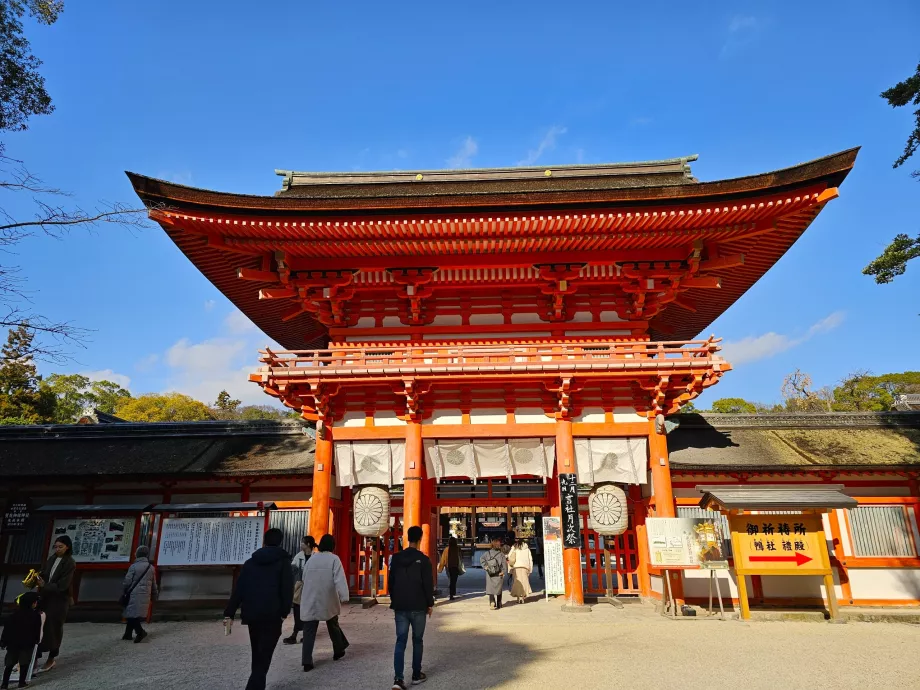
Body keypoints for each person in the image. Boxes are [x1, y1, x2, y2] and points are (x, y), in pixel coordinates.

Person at [223, 528, 293, 690]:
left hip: (252, 611)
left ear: (264, 541)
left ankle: (257, 682)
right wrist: (284, 612)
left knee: (258, 650)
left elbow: (240, 588)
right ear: (280, 541)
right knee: (266, 652)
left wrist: (230, 612)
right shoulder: (283, 562)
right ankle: (254, 685)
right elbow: (286, 589)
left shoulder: (250, 563)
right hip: (273, 613)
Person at [389, 526, 434, 689]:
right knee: (417, 640)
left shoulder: (396, 558)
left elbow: (391, 583)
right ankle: (416, 674)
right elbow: (428, 584)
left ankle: (398, 679)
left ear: (407, 538)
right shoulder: (424, 560)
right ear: (420, 538)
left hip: (400, 606)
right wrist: (430, 603)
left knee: (400, 640)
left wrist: (394, 600)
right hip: (418, 604)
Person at [300, 534, 349, 672]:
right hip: (327, 596)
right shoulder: (334, 559)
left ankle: (306, 661)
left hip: (310, 597)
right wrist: (344, 596)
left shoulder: (312, 559)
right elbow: (339, 579)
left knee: (309, 629)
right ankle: (338, 649)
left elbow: (304, 576)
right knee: (332, 623)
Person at [35, 535, 75, 673]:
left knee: (54, 627)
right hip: (45, 597)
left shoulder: (69, 562)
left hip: (59, 599)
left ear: (67, 547)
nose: (57, 549)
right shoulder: (51, 559)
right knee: (38, 625)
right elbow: (46, 573)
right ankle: (35, 656)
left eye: (61, 547)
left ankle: (51, 658)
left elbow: (63, 585)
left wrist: (45, 585)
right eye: (56, 546)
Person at [1, 592, 42, 689]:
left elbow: (6, 630)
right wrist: (36, 640)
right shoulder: (35, 616)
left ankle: (4, 684)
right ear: (32, 603)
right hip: (27, 644)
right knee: (24, 663)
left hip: (12, 644)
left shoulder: (12, 616)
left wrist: (3, 641)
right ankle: (21, 682)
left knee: (9, 664)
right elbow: (37, 630)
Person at [283, 536, 316, 645]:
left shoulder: (316, 556)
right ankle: (295, 634)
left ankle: (306, 634)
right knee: (297, 610)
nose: (300, 545)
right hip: (300, 586)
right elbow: (292, 570)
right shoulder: (299, 556)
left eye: (302, 543)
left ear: (308, 544)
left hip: (312, 587)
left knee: (309, 611)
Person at [121, 545, 158, 643]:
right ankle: (127, 634)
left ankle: (140, 632)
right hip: (145, 594)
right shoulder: (151, 567)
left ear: (137, 554)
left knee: (132, 614)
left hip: (134, 593)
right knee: (133, 613)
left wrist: (125, 589)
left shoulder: (134, 566)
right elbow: (154, 584)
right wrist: (155, 595)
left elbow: (127, 581)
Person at [480, 536, 507, 610]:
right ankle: (499, 603)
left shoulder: (487, 553)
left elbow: (482, 559)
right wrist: (503, 571)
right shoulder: (501, 554)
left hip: (490, 573)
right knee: (499, 589)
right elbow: (504, 564)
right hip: (498, 573)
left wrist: (485, 566)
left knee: (490, 588)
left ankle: (492, 602)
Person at [508, 540, 533, 604]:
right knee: (524, 582)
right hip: (525, 567)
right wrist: (530, 569)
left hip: (516, 568)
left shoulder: (514, 549)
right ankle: (523, 598)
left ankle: (518, 598)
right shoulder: (527, 550)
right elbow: (530, 559)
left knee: (517, 583)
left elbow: (509, 557)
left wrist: (510, 569)